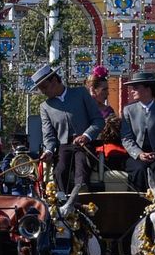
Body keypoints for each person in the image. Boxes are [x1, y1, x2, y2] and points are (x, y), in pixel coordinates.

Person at [30, 65, 104, 193]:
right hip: (64, 146)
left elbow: (98, 120)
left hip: (85, 144)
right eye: (40, 88)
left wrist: (86, 136)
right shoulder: (45, 107)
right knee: (60, 171)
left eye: (44, 87)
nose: (43, 92)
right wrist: (48, 151)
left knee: (82, 166)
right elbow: (49, 136)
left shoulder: (81, 93)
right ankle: (62, 203)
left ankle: (82, 201)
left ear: (54, 81)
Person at [88, 67, 127, 168]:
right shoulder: (83, 109)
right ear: (93, 90)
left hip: (107, 147)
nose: (108, 93)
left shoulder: (109, 110)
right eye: (104, 90)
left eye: (108, 89)